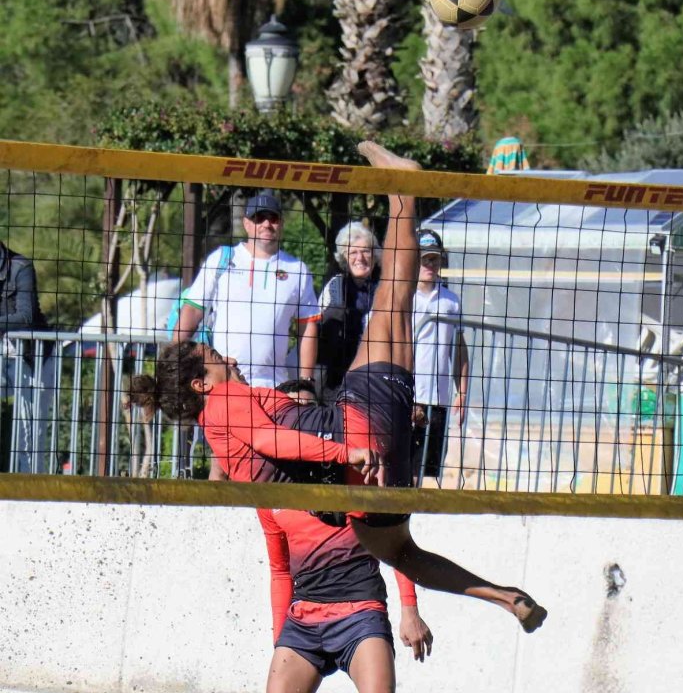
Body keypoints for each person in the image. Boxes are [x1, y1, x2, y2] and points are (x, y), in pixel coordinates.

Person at [127, 141, 547, 637]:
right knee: (393, 297)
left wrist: (283, 637)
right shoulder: (225, 402)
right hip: (358, 428)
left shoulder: (242, 462)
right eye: (216, 356)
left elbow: (279, 540)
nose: (228, 355)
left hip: (366, 477)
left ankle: (504, 597)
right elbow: (272, 440)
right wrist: (343, 445)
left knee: (406, 554)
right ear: (202, 383)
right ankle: (404, 192)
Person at [256, 379, 432, 693]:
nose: (301, 423)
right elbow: (281, 571)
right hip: (304, 620)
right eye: (290, 415)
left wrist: (410, 610)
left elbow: (395, 546)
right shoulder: (269, 491)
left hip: (359, 612)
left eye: (308, 413)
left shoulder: (356, 474)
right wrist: (281, 638)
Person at [174, 190, 320, 388]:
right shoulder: (222, 259)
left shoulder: (297, 269)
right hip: (224, 379)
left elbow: (308, 328)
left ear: (281, 223)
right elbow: (192, 310)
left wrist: (306, 382)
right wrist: (173, 363)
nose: (266, 224)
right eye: (259, 218)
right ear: (246, 224)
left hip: (272, 384)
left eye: (273, 218)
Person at [411, 229, 469, 481]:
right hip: (407, 397)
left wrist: (463, 391)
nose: (429, 264)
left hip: (439, 399)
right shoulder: (403, 297)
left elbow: (459, 348)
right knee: (404, 470)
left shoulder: (451, 301)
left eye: (434, 258)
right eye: (424, 258)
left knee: (431, 472)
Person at [0, 240, 50, 472]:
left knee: (29, 433)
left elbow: (26, 317)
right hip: (3, 353)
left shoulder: (21, 267)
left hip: (33, 356)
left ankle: (30, 489)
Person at [317, 221, 381, 401]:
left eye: (366, 251)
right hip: (335, 380)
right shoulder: (334, 286)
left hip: (372, 378)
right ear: (344, 258)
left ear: (375, 256)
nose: (359, 257)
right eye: (353, 252)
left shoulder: (383, 290)